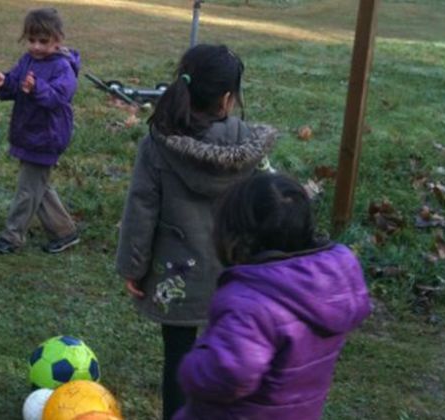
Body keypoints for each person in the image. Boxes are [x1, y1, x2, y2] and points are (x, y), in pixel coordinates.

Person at [115, 44, 278, 420]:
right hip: (237, 276)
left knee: (178, 358)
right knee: (233, 355)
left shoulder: (157, 142)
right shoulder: (248, 145)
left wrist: (133, 267)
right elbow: (275, 200)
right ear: (226, 99)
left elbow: (141, 209)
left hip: (178, 276)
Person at [174, 173, 372, 420]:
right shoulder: (325, 289)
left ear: (236, 238)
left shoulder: (249, 301)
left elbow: (231, 372)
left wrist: (192, 367)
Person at [0, 8, 81, 255]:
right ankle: (65, 232)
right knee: (37, 186)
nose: (35, 46)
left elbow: (58, 97)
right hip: (27, 131)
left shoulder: (63, 67)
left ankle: (12, 236)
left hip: (47, 135)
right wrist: (3, 81)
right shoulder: (28, 60)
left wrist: (36, 88)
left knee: (27, 190)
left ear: (58, 39)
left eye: (43, 41)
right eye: (31, 40)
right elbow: (16, 83)